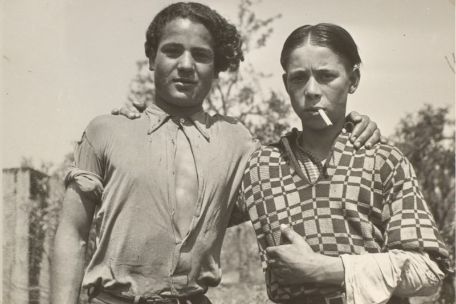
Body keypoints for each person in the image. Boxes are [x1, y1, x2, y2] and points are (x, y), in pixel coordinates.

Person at [51, 3, 382, 304]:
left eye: (200, 55)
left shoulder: (239, 143)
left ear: (218, 66)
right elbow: (73, 232)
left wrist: (347, 125)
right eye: (172, 51)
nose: (185, 65)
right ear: (152, 58)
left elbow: (295, 172)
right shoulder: (108, 130)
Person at [235, 23, 449, 304]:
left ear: (354, 79)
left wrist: (326, 270)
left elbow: (428, 270)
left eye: (326, 76)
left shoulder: (382, 159)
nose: (311, 90)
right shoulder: (259, 167)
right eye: (299, 78)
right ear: (286, 84)